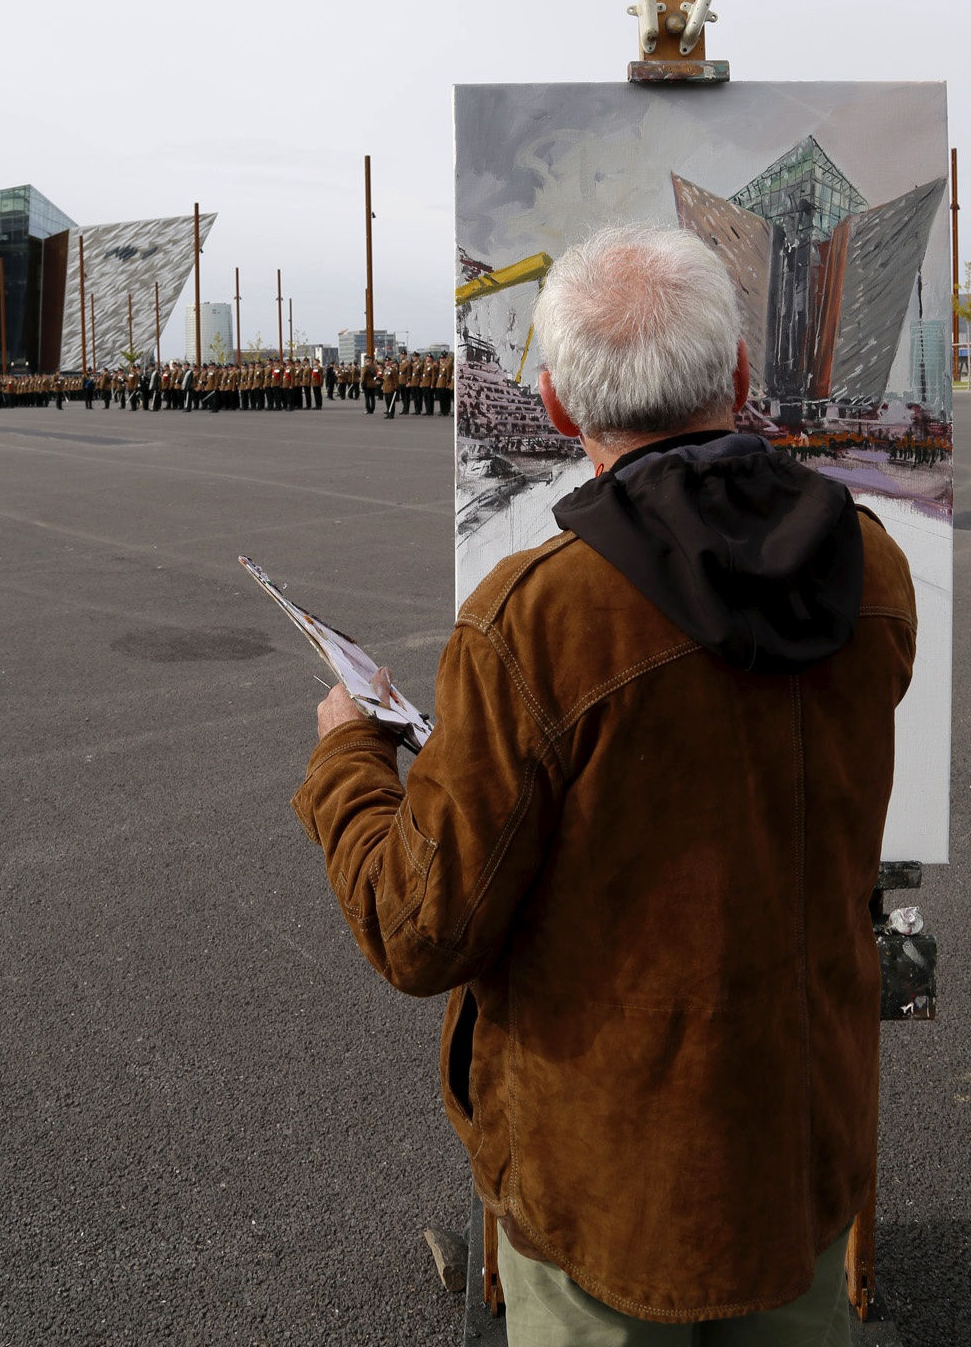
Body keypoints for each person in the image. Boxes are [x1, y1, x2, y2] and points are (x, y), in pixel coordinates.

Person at [293, 225, 917, 1345]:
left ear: (557, 406)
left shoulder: (534, 618)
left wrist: (351, 750)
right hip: (803, 1142)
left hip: (612, 1181)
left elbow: (419, 927)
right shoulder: (872, 566)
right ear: (736, 379)